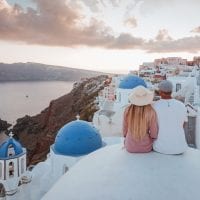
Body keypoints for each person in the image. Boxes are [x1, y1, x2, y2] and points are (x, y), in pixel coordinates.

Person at [153, 80, 188, 154]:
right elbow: (183, 124)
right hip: (180, 148)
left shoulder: (154, 106)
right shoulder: (181, 105)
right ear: (171, 91)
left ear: (160, 91)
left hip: (160, 148)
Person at [123, 85, 158, 153]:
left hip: (129, 146)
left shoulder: (127, 110)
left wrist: (126, 137)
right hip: (146, 147)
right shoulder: (151, 111)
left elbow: (124, 130)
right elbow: (154, 134)